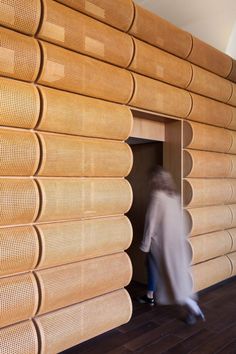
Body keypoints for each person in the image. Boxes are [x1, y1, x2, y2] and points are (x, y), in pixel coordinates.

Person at [138, 166, 205, 325]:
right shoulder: (175, 197)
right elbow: (183, 221)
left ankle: (192, 307)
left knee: (169, 278)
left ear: (154, 180)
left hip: (162, 245)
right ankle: (152, 296)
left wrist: (145, 245)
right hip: (177, 245)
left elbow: (151, 223)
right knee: (176, 276)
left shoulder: (157, 197)